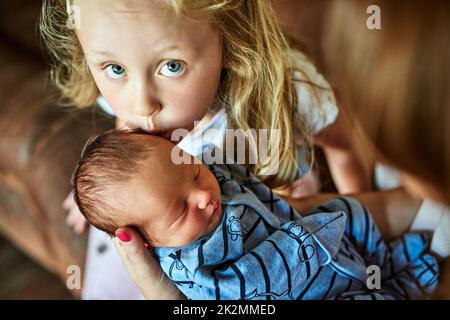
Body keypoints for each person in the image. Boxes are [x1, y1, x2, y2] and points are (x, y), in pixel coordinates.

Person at [40, 0, 374, 299]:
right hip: (170, 239)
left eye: (172, 66)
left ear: (230, 39)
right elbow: (127, 152)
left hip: (271, 226)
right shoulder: (137, 108)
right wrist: (101, 195)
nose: (141, 105)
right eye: (115, 69)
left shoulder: (290, 88)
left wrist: (363, 228)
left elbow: (345, 147)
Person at [73, 129, 439, 299]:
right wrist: (301, 242)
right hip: (304, 282)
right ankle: (397, 283)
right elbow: (247, 286)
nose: (202, 195)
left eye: (194, 171)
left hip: (315, 230)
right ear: (150, 244)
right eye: (180, 209)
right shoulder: (194, 269)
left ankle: (386, 261)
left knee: (351, 213)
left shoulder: (210, 170)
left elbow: (244, 170)